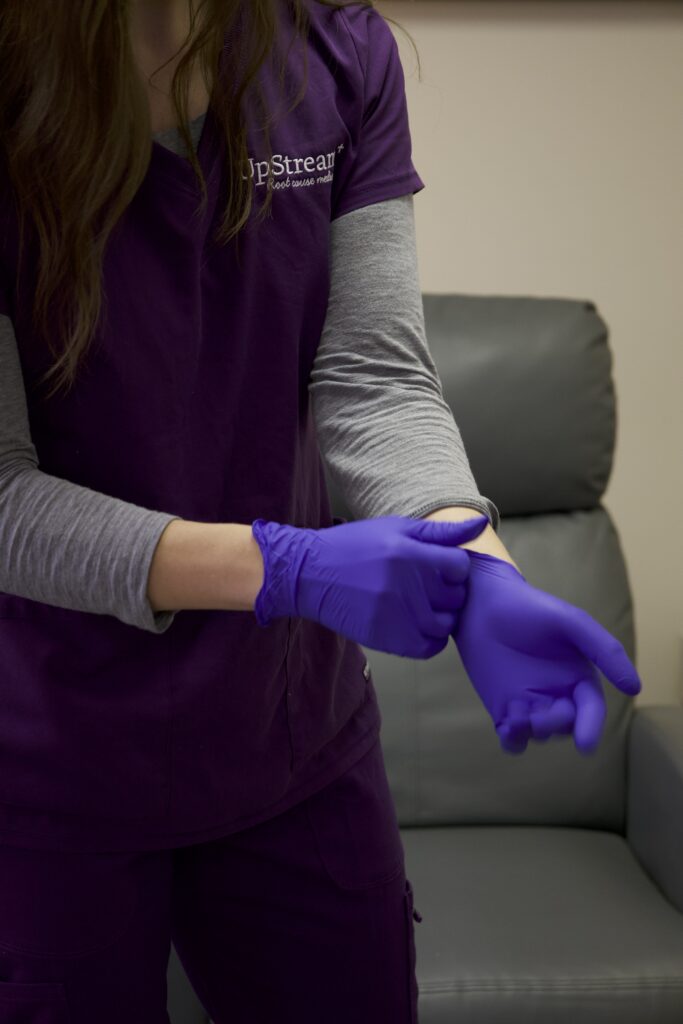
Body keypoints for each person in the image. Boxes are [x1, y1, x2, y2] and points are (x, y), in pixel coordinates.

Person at [0, 1, 640, 1021]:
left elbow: (372, 374)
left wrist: (475, 562)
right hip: (46, 768)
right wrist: (283, 567)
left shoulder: (333, 52)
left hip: (287, 740)